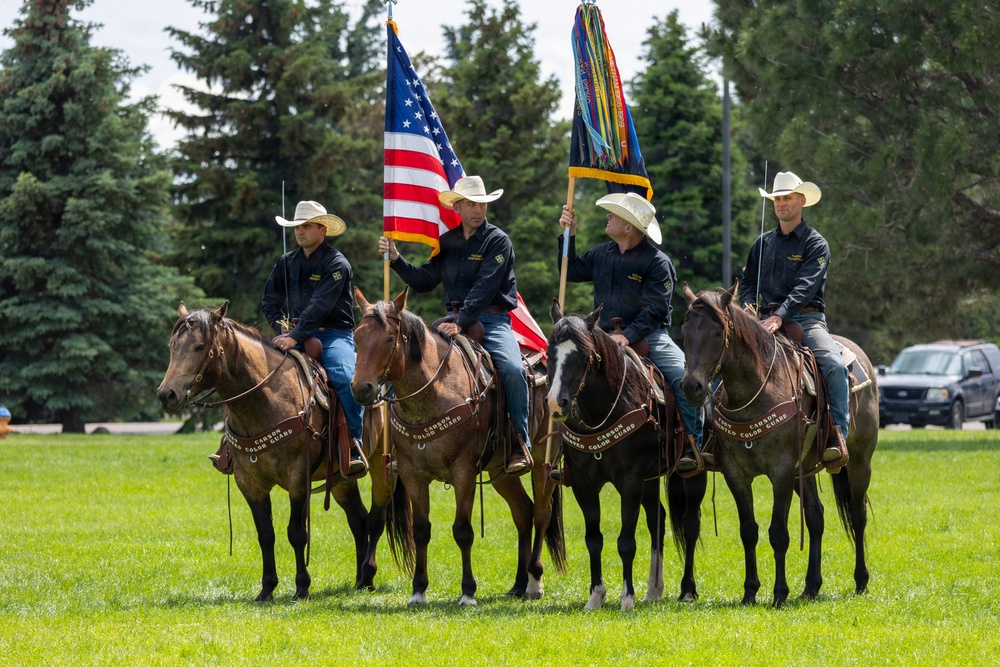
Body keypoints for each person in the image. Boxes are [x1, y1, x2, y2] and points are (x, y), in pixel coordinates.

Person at [378, 175, 532, 476]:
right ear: (458, 207)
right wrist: (396, 259)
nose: (478, 210)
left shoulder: (498, 241)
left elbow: (486, 287)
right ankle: (401, 443)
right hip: (452, 320)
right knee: (401, 364)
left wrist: (462, 322)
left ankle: (519, 441)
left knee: (513, 370)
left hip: (491, 319)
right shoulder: (446, 242)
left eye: (482, 204)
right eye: (471, 204)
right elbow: (424, 281)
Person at [558, 192, 704, 474]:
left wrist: (628, 334)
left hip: (650, 336)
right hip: (601, 337)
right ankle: (569, 454)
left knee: (682, 378)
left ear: (629, 227)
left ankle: (691, 445)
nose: (608, 217)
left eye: (614, 214)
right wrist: (569, 235)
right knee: (565, 375)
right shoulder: (602, 253)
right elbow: (570, 270)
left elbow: (656, 309)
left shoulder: (658, 262)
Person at [739, 171, 849, 468]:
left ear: (802, 201)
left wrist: (779, 316)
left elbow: (805, 288)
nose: (781, 203)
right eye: (777, 198)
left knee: (834, 365)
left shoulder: (816, 244)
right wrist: (750, 308)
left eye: (787, 198)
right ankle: (715, 435)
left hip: (806, 321)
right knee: (724, 362)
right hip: (762, 322)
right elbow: (747, 282)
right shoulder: (761, 244)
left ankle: (838, 435)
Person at [261, 200, 367, 476]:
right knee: (256, 373)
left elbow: (320, 306)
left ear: (322, 229)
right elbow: (269, 302)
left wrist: (295, 336)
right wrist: (280, 327)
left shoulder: (337, 264)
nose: (300, 231)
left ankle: (355, 444)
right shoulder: (285, 263)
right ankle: (236, 445)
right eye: (297, 226)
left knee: (345, 378)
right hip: (293, 334)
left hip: (334, 336)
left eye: (306, 226)